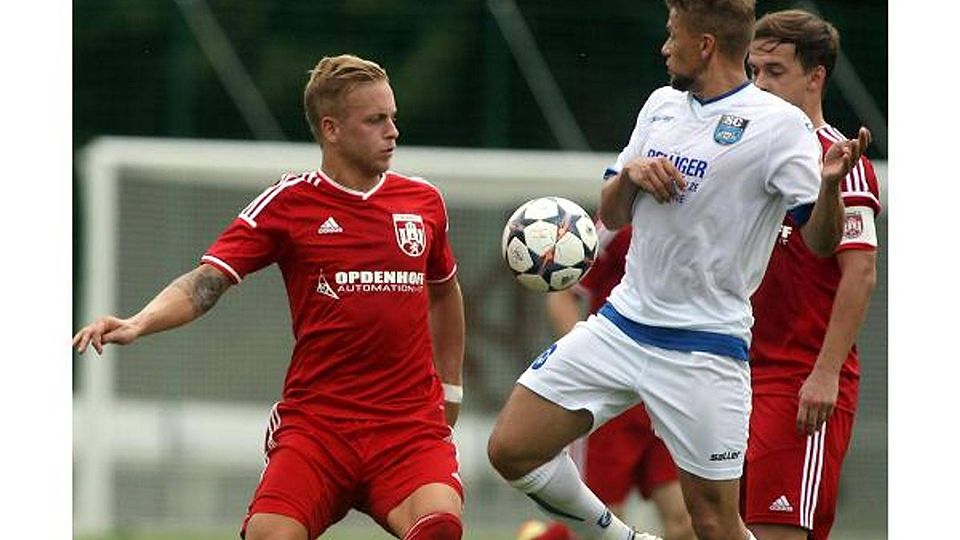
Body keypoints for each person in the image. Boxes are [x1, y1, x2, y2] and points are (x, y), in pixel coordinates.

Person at [485, 1, 871, 540]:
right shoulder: (660, 105)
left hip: (704, 350)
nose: (665, 47)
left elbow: (823, 241)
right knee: (511, 449)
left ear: (705, 44)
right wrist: (632, 175)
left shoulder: (779, 127)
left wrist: (829, 187)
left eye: (673, 35)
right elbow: (612, 212)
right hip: (620, 326)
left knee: (714, 523)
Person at [73, 54, 467, 540]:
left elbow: (445, 293)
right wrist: (140, 321)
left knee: (440, 528)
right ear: (332, 129)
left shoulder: (422, 202)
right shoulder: (288, 203)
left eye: (392, 117)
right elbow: (207, 281)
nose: (393, 132)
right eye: (376, 120)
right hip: (319, 429)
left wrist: (450, 388)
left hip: (407, 428)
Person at [741, 10, 882, 540]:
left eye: (774, 72)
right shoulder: (751, 157)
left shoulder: (841, 160)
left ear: (815, 77)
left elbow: (860, 273)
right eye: (754, 71)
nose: (759, 85)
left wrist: (824, 372)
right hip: (739, 376)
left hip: (799, 381)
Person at [527, 222, 695, 540]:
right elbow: (563, 294)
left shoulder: (710, 213)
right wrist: (591, 372)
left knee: (688, 521)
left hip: (671, 395)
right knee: (601, 521)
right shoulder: (623, 218)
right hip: (614, 402)